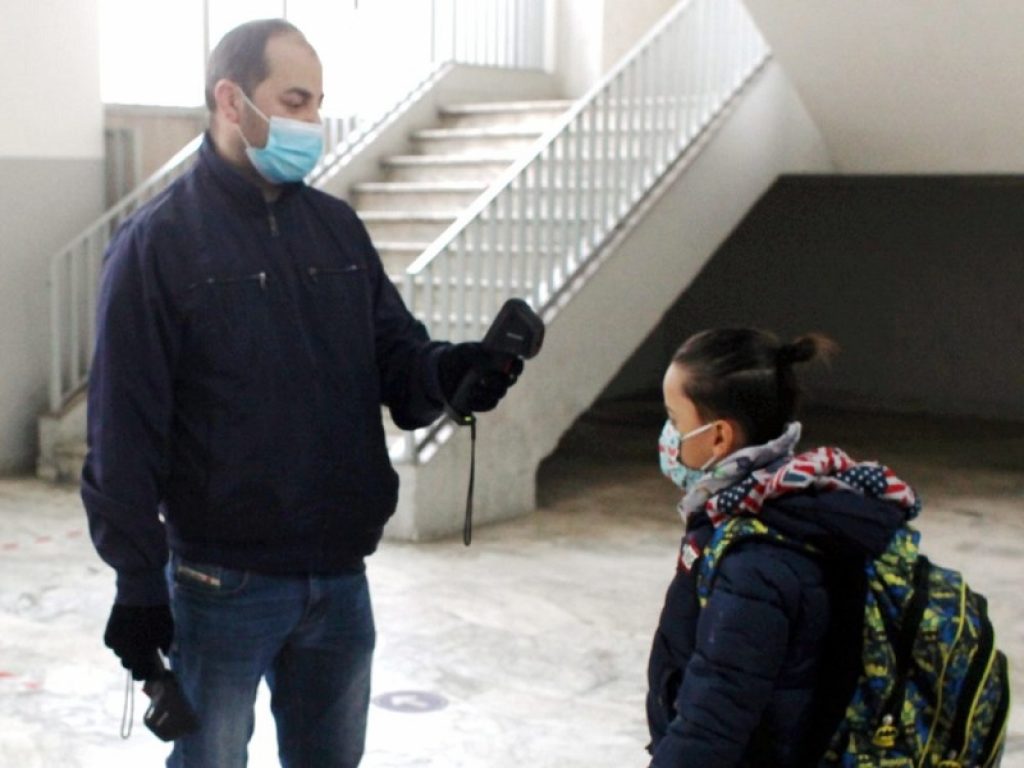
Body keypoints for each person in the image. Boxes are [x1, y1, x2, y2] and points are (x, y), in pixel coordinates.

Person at [81, 18, 522, 768]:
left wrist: (452, 375)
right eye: (295, 101)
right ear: (231, 100)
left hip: (340, 579)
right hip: (221, 582)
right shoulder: (158, 244)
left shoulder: (336, 230)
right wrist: (136, 581)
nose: (313, 121)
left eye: (318, 102)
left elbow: (397, 358)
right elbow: (123, 431)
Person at [645, 328, 915, 767]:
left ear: (719, 437)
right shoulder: (772, 500)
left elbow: (711, 726)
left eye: (675, 420)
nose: (669, 435)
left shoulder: (753, 565)